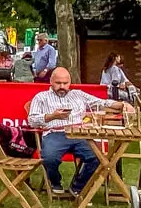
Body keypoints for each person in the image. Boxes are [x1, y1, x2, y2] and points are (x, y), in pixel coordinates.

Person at [27, 67, 134, 195]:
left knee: (98, 158)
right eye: (58, 83)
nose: (62, 86)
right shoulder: (41, 97)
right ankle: (55, 182)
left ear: (70, 82)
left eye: (65, 83)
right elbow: (32, 120)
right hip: (54, 133)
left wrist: (122, 105)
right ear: (51, 81)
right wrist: (52, 116)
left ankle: (78, 187)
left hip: (79, 133)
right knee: (49, 157)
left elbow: (101, 103)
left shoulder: (78, 94)